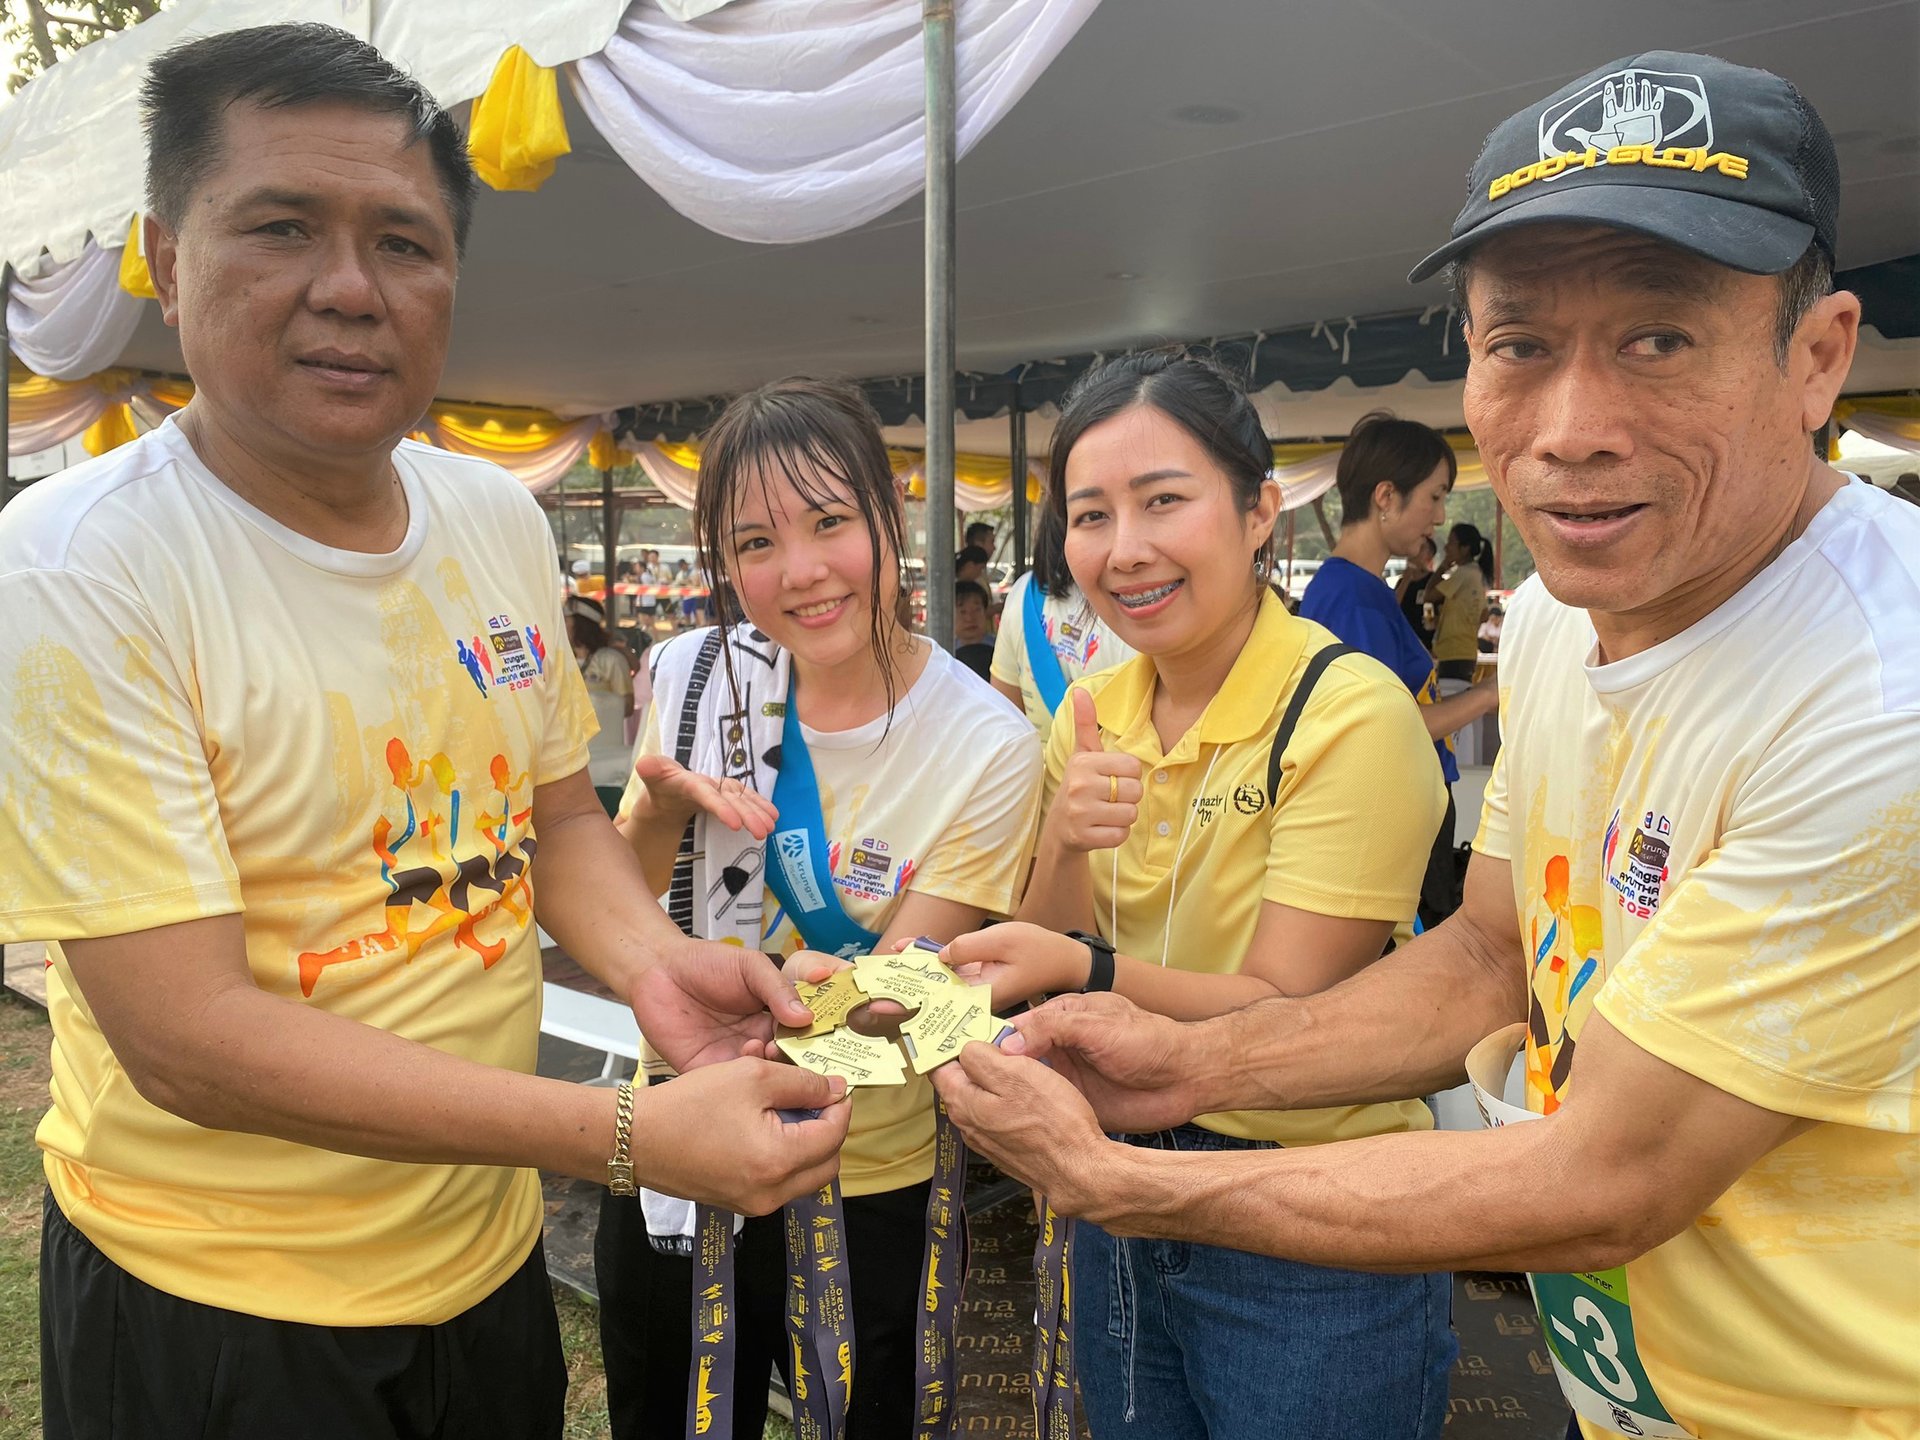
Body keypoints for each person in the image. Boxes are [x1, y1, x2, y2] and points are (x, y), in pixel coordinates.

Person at [931, 51, 1918, 1440]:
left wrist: (1132, 1180)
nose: (1572, 432)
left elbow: (1612, 1176)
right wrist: (1192, 1068)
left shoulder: (1882, 704)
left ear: (1817, 360)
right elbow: (1486, 954)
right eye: (1520, 345)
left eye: (1660, 339)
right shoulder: (1583, 615)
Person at [0, 26, 850, 1440]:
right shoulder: (83, 564)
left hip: (481, 1265)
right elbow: (188, 1040)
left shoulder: (490, 520)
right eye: (281, 226)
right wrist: (626, 1135)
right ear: (161, 246)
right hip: (221, 1302)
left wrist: (657, 966)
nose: (350, 288)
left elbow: (556, 816)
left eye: (404, 241)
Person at [937, 352, 1453, 1437]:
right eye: (1090, 516)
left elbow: (1292, 1013)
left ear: (1261, 510)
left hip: (1310, 1212)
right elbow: (1041, 937)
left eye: (1164, 501)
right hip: (1116, 1178)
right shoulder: (1095, 704)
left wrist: (1086, 970)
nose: (1125, 551)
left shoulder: (1344, 713)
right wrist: (1068, 846)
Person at [600, 377, 1043, 1440]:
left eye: (830, 522)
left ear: (890, 516)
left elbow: (907, 986)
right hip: (679, 1140)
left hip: (865, 1170)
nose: (799, 572)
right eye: (755, 543)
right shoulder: (697, 679)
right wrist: (661, 803)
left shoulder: (985, 743)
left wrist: (773, 1021)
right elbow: (622, 906)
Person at [1299, 411, 1499, 927]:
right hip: (1396, 810)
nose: (1439, 517)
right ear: (1386, 497)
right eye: (1434, 496)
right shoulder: (1352, 601)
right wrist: (1497, 691)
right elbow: (1397, 724)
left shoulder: (1359, 591)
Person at [989, 500, 1136, 730]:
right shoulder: (1134, 611)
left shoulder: (1022, 592)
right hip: (1113, 764)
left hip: (1036, 764)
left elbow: (1004, 713)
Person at [570, 610, 637, 815]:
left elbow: (626, 704)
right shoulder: (560, 660)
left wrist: (600, 706)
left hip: (603, 749)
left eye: (566, 621)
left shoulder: (610, 659)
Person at [1425, 520, 1495, 684]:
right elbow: (1483, 615)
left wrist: (1442, 567)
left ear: (1465, 549)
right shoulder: (1476, 573)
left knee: (1450, 700)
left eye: (1451, 543)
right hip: (1467, 650)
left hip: (1453, 649)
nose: (1446, 547)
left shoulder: (1462, 574)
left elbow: (1429, 595)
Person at [1396, 532, 1439, 646]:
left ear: (1429, 556)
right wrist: (1406, 579)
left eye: (1422, 548)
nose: (1415, 552)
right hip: (1403, 641)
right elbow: (1393, 605)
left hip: (1426, 643)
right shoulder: (1402, 582)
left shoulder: (1434, 581)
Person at [952, 576, 997, 680]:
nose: (970, 618)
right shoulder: (944, 653)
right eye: (962, 612)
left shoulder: (1000, 648)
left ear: (985, 612)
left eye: (977, 610)